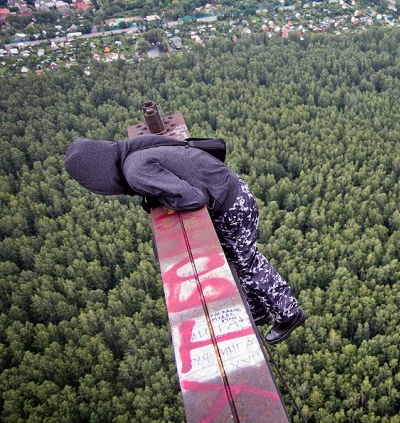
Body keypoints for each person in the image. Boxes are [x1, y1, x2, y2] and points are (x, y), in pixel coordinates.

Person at [64, 134, 306, 345]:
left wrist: (159, 196)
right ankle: (260, 311)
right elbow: (175, 148)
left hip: (231, 206)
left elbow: (192, 198)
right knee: (237, 259)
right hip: (230, 191)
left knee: (247, 264)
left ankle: (289, 313)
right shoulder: (131, 149)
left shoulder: (134, 170)